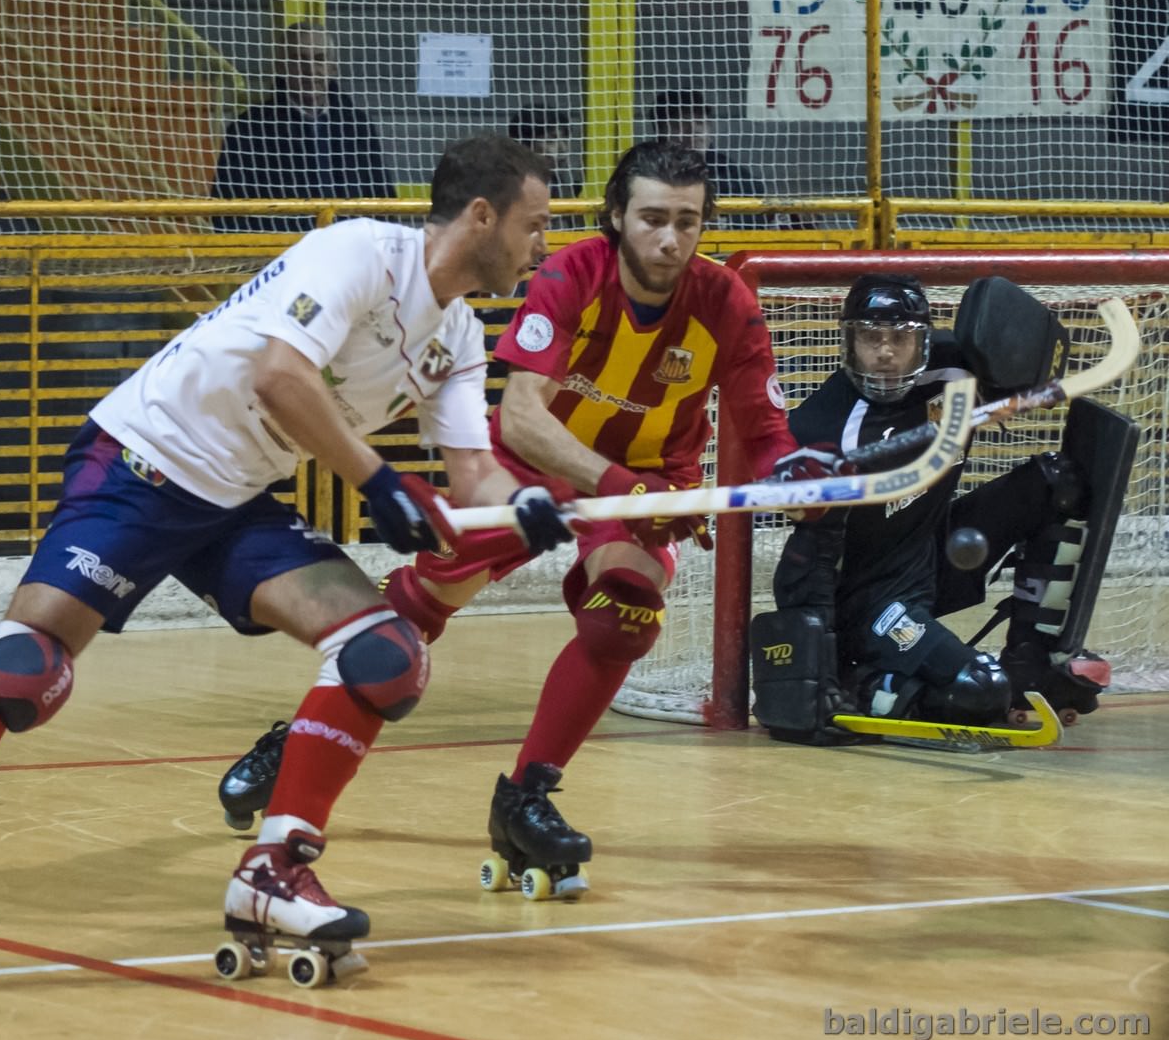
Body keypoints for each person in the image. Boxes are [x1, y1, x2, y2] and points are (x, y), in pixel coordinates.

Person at [0, 134, 582, 969]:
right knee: (25, 669)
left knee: (383, 653)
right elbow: (279, 377)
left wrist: (527, 505)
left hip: (236, 501)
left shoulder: (461, 337)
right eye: (535, 224)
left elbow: (472, 473)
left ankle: (274, 871)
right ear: (482, 215)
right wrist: (375, 479)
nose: (542, 245)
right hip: (145, 460)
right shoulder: (359, 252)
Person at [217, 140, 835, 896]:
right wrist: (617, 485)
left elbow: (768, 439)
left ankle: (526, 796)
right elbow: (520, 419)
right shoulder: (572, 273)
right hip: (540, 474)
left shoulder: (726, 302)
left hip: (645, 486)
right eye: (652, 218)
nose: (670, 239)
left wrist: (795, 478)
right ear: (616, 216)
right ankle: (298, 740)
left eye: (688, 221)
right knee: (416, 614)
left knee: (626, 619)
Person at [749, 274, 1122, 743]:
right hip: (871, 602)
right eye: (870, 337)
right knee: (979, 691)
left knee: (1056, 482)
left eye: (900, 339)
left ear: (923, 342)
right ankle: (861, 684)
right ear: (849, 342)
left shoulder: (958, 370)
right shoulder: (825, 436)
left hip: (934, 553)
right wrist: (815, 672)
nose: (885, 353)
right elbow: (809, 566)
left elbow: (1039, 368)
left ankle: (1035, 662)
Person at [210, 21, 394, 234]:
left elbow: (382, 198)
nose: (309, 70)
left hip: (349, 253)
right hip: (280, 254)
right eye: (299, 59)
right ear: (281, 66)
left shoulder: (357, 126)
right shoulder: (248, 129)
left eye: (319, 59)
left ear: (332, 67)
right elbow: (228, 209)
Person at [648, 89, 805, 231]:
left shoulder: (736, 178)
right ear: (660, 132)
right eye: (680, 124)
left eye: (700, 122)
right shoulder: (647, 174)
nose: (693, 131)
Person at [507, 104, 582, 227]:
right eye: (551, 140)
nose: (563, 148)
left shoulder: (565, 185)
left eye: (565, 138)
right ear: (525, 144)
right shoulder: (509, 187)